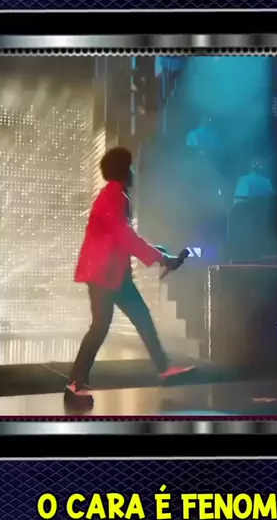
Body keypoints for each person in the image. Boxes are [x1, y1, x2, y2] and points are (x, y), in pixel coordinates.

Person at [68, 147, 194, 398]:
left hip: (108, 273)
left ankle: (78, 382)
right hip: (107, 275)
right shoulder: (116, 196)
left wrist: (159, 254)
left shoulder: (111, 194)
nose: (134, 171)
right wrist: (162, 258)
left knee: (122, 321)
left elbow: (122, 237)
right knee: (113, 324)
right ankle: (77, 382)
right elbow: (124, 236)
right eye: (131, 167)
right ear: (125, 171)